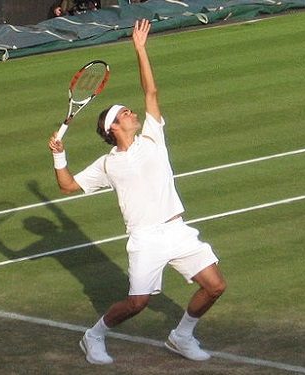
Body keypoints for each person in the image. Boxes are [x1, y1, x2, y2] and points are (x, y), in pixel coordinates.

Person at [47, 19, 226, 365]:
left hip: (176, 229)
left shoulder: (152, 137)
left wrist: (140, 49)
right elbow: (68, 186)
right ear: (114, 127)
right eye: (125, 113)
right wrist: (59, 155)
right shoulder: (107, 164)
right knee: (137, 303)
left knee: (215, 286)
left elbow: (151, 93)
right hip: (144, 239)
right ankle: (93, 335)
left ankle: (181, 336)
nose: (133, 113)